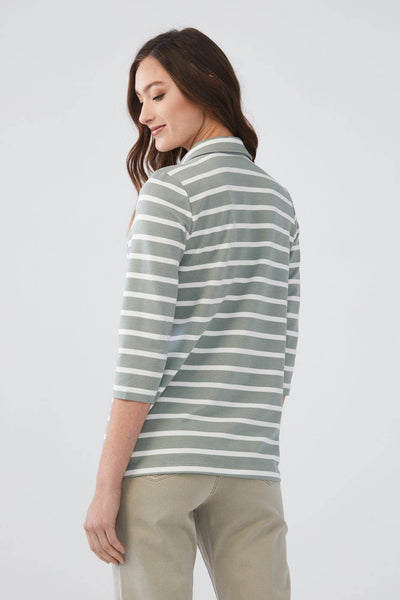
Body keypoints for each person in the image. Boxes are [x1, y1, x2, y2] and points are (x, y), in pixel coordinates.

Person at [83, 27, 301, 600]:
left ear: (204, 83)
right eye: (140, 101)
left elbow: (141, 352)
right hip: (252, 462)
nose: (145, 116)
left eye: (157, 94)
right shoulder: (278, 200)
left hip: (164, 461)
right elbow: (283, 354)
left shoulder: (169, 193)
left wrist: (106, 485)